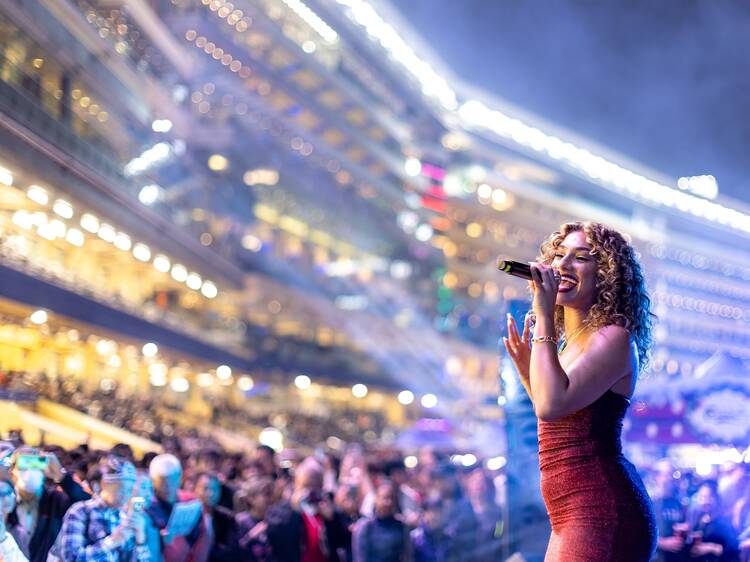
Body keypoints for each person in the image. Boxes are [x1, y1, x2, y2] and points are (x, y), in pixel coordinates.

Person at [503, 221, 657, 561]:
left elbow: (552, 406)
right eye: (559, 255)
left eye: (581, 258)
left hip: (600, 508)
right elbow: (559, 418)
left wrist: (543, 316)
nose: (563, 265)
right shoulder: (567, 346)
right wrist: (528, 372)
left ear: (606, 274)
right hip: (568, 513)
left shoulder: (614, 337)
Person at [52, 455, 149, 561]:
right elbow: (71, 558)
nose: (127, 494)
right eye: (121, 488)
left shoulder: (125, 517)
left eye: (130, 490)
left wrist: (140, 541)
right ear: (103, 484)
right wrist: (111, 542)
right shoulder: (80, 511)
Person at [9, 448, 90, 562]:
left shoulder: (56, 501)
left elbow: (87, 504)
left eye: (36, 465)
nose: (30, 471)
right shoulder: (5, 501)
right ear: (12, 471)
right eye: (24, 465)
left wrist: (61, 476)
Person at [265, 457, 347, 562]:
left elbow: (341, 542)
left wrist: (331, 520)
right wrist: (294, 510)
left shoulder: (329, 509)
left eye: (316, 486)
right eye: (307, 486)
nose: (311, 491)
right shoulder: (280, 511)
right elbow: (277, 539)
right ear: (296, 484)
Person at [146, 454, 210, 562]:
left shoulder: (190, 501)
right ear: (153, 481)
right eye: (162, 481)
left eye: (172, 480)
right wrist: (159, 538)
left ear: (180, 478)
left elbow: (200, 537)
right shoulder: (148, 506)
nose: (168, 486)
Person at [674, 480, 739, 562]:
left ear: (717, 498)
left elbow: (734, 550)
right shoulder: (700, 518)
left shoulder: (724, 524)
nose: (705, 501)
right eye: (701, 497)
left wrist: (712, 547)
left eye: (709, 497)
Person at [352, 482, 411, 562]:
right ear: (376, 499)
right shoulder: (365, 526)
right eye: (385, 498)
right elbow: (360, 557)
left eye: (392, 498)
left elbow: (407, 556)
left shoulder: (401, 526)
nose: (388, 502)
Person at [193, 472, 237, 561]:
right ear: (195, 489)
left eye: (215, 489)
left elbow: (231, 550)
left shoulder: (227, 518)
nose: (210, 493)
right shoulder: (186, 516)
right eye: (205, 488)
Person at [650, 460, 686, 562]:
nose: (671, 478)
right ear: (657, 477)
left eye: (673, 475)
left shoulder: (678, 503)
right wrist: (662, 543)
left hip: (675, 558)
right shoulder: (649, 501)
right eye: (667, 475)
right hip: (656, 558)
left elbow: (680, 526)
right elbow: (638, 533)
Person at [235, 477, 274, 562]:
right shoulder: (240, 521)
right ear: (251, 499)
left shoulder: (274, 521)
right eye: (265, 494)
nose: (269, 498)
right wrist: (251, 536)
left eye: (270, 494)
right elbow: (235, 552)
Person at [1, 478, 27, 561]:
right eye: (1, 494)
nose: (8, 498)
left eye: (10, 492)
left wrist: (4, 539)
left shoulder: (19, 532)